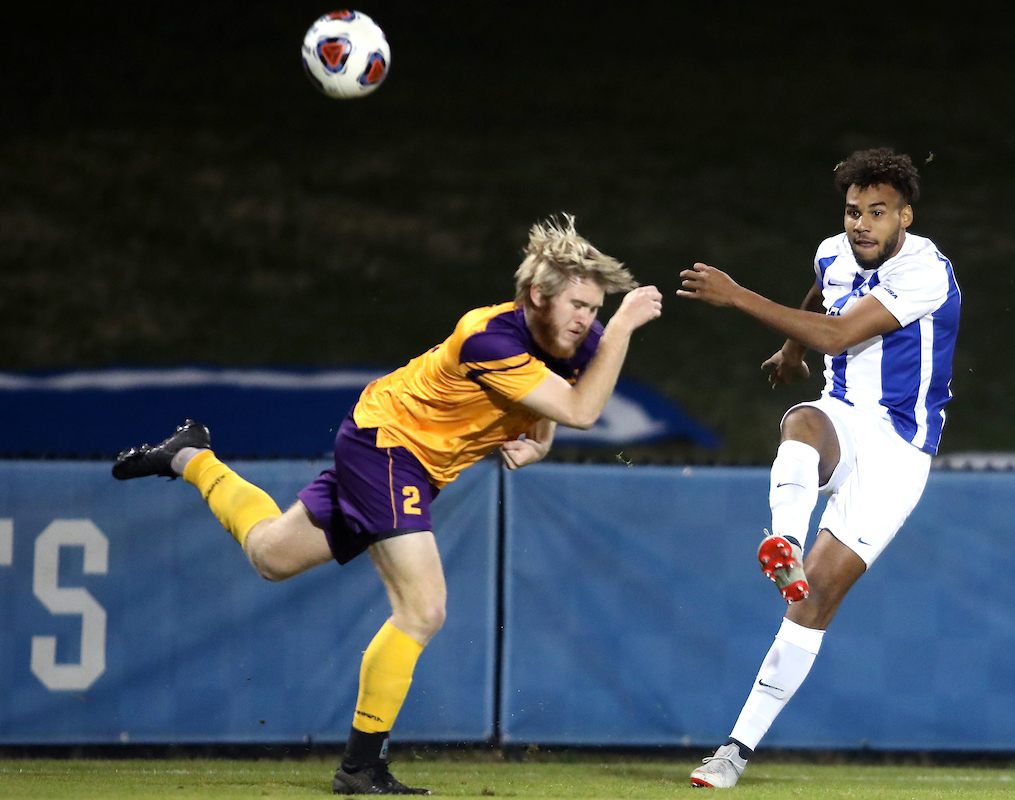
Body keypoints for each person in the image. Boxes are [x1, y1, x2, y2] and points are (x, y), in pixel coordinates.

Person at [113, 215, 662, 796]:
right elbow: (581, 409)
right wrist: (624, 327)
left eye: (598, 309)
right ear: (535, 295)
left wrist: (540, 441)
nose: (588, 320)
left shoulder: (573, 339)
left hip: (399, 455)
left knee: (270, 555)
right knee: (423, 609)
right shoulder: (488, 336)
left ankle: (189, 457)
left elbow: (564, 398)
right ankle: (360, 766)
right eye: (579, 305)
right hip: (388, 448)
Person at [678, 148, 960, 788]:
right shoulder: (834, 249)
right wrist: (789, 346)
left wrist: (738, 296)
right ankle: (785, 539)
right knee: (801, 422)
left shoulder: (925, 271)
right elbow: (820, 291)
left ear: (905, 217)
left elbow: (838, 333)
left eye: (878, 213)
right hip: (842, 417)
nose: (862, 224)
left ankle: (734, 751)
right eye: (854, 210)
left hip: (899, 451)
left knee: (815, 604)